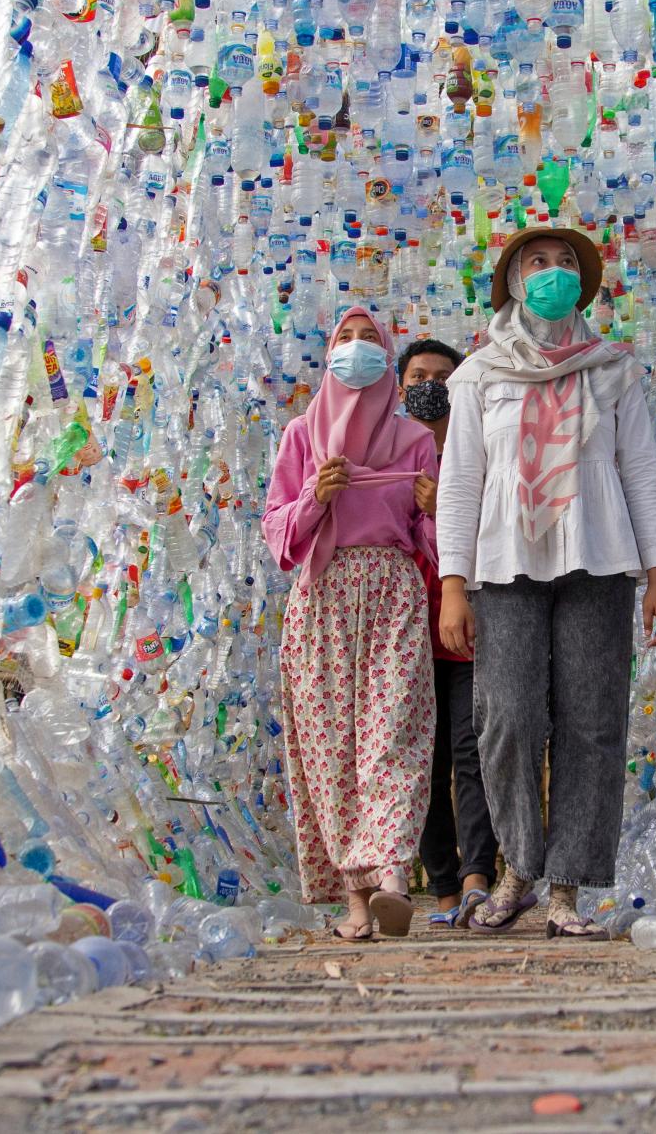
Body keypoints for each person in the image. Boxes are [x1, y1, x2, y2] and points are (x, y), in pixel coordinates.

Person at [436, 227, 656, 939]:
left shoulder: (612, 369)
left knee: (592, 723)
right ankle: (517, 868)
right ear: (512, 280)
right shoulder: (480, 374)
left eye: (566, 262)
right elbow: (461, 483)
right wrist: (453, 582)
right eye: (538, 262)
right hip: (505, 563)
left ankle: (566, 887)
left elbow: (640, 471)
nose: (553, 271)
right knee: (506, 718)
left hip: (600, 558)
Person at [262, 306, 439, 941]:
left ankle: (392, 873)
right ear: (329, 352)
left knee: (393, 733)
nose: (357, 349)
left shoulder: (415, 441)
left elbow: (437, 547)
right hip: (323, 600)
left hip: (393, 594)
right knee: (332, 749)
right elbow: (279, 537)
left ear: (387, 360)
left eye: (370, 340)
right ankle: (356, 901)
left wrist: (433, 507)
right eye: (346, 338)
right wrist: (317, 495)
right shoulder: (300, 437)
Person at [397, 339, 499, 929]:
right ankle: (440, 888)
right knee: (422, 760)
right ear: (401, 384)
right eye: (418, 375)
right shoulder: (384, 451)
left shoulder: (480, 448)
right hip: (402, 637)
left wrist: (448, 510)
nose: (431, 385)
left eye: (443, 375)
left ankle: (477, 876)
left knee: (472, 750)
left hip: (466, 627)